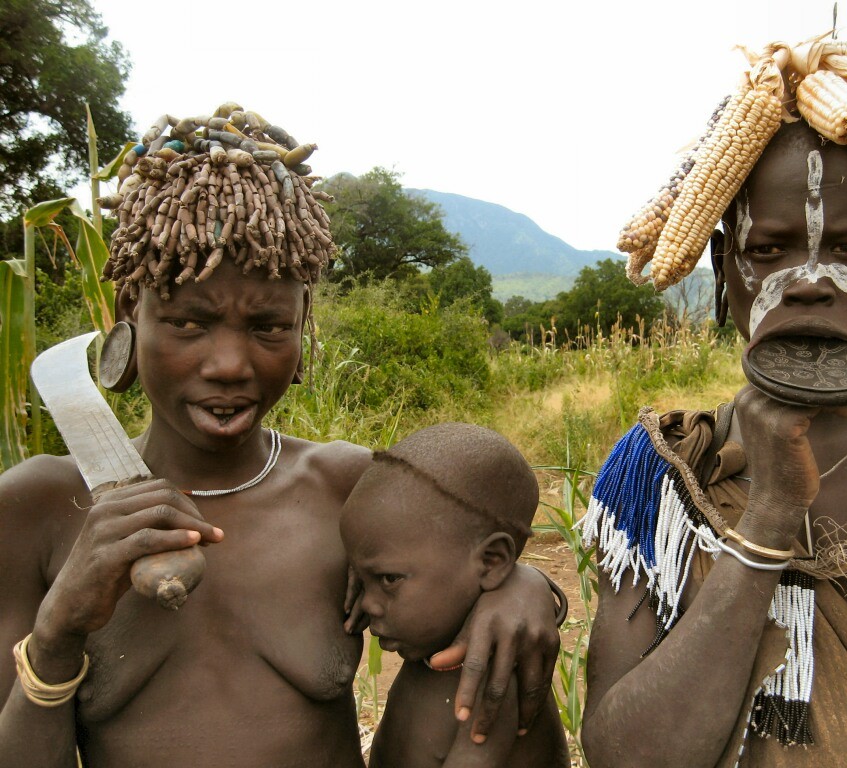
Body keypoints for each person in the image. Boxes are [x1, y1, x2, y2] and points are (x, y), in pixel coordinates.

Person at [0, 107, 562, 768]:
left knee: (493, 664)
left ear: (303, 328)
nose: (231, 363)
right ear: (131, 314)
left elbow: (479, 561)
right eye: (188, 323)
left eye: (267, 327)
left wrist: (524, 592)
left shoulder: (350, 493)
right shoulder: (37, 508)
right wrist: (59, 631)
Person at [580, 39, 847, 768]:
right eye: (769, 250)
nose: (810, 281)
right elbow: (625, 754)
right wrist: (769, 519)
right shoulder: (661, 477)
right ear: (727, 271)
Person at [339, 422, 571, 768]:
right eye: (360, 579)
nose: (367, 604)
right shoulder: (430, 657)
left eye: (388, 579)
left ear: (491, 561)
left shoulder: (492, 679)